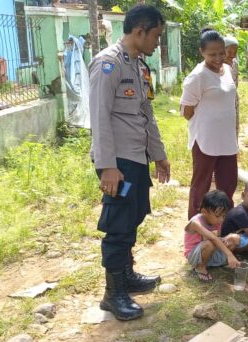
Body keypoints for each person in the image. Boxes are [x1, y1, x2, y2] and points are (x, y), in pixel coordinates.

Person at [89, 5, 170, 321]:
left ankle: (127, 275)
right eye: (157, 36)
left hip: (136, 157)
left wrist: (159, 154)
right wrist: (108, 165)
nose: (157, 43)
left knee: (134, 215)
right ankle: (113, 294)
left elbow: (146, 115)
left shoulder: (139, 67)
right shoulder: (107, 64)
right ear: (140, 31)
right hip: (118, 161)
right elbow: (99, 117)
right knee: (118, 226)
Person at [181, 29, 239, 220]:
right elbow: (186, 111)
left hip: (227, 139)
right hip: (205, 140)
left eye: (221, 52)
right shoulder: (197, 76)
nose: (218, 57)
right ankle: (195, 230)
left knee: (228, 185)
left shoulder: (228, 70)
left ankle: (223, 227)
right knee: (201, 186)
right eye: (212, 54)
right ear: (202, 52)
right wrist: (207, 122)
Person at [184, 190, 241, 283]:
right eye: (218, 216)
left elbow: (216, 237)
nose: (221, 219)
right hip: (194, 256)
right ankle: (200, 268)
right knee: (210, 243)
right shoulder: (195, 223)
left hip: (210, 251)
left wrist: (222, 240)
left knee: (234, 238)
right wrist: (229, 255)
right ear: (204, 212)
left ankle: (212, 263)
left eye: (223, 216)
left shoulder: (217, 221)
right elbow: (213, 239)